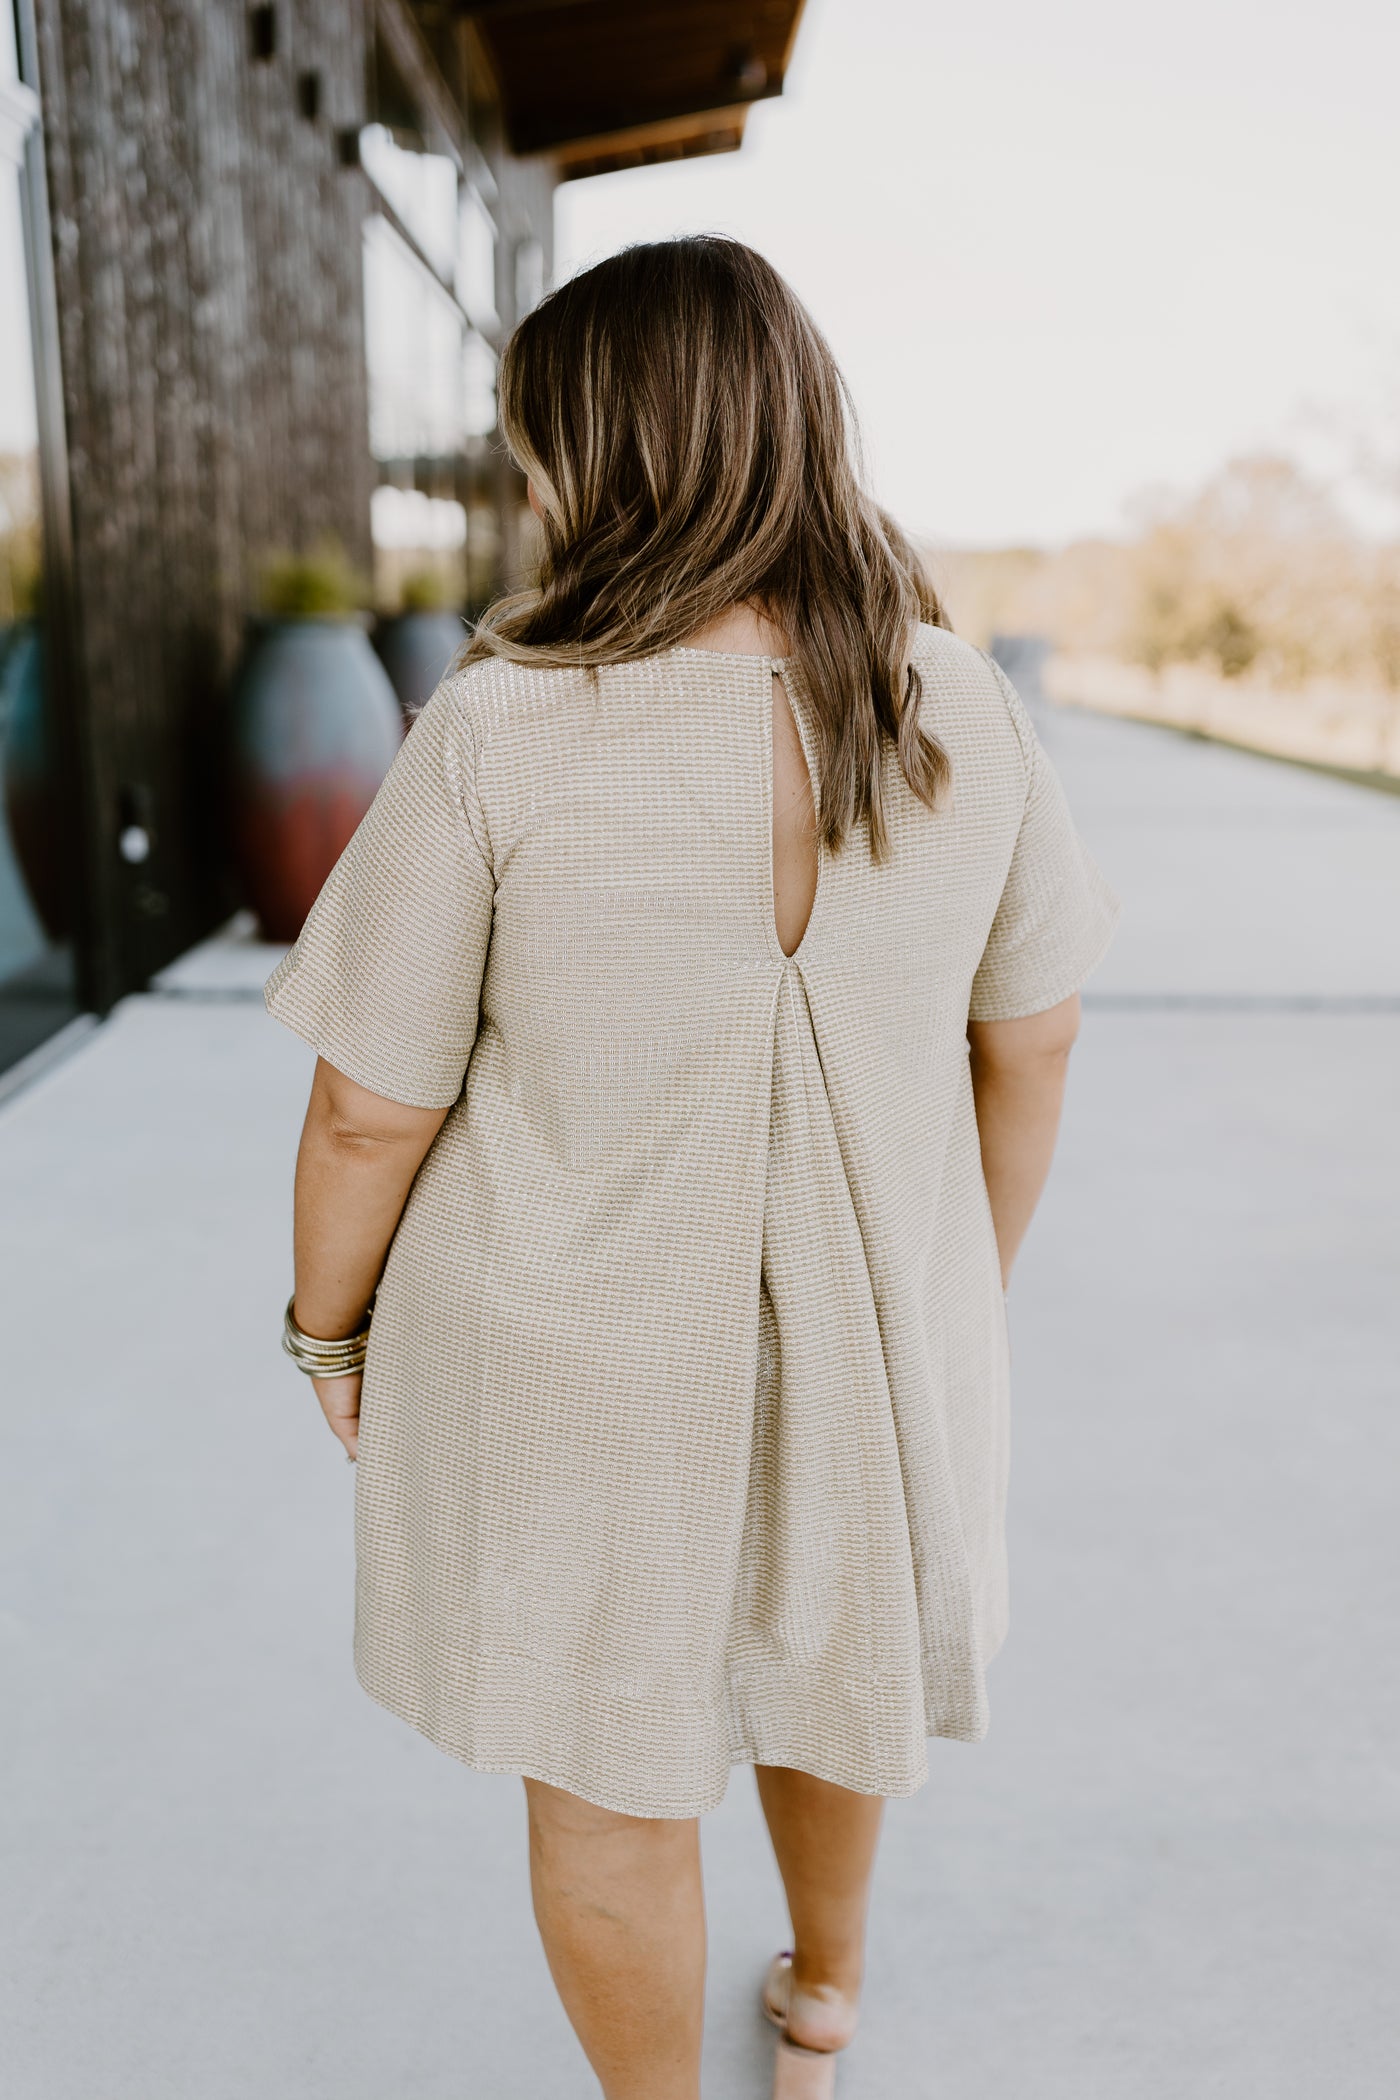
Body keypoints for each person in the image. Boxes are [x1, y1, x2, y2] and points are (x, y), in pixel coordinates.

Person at [264, 235, 1120, 2100]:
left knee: (604, 1786)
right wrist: (953, 1271)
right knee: (836, 1653)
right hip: (880, 1318)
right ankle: (822, 1999)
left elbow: (365, 1109)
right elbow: (1033, 1034)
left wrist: (328, 1335)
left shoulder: (507, 726)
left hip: (574, 1355)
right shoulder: (959, 706)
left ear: (600, 455)